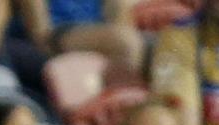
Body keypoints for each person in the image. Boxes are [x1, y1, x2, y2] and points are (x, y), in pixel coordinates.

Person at [17, 0, 145, 79]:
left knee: (160, 45)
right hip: (57, 32)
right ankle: (124, 102)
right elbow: (41, 35)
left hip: (100, 30)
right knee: (125, 42)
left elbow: (119, 14)